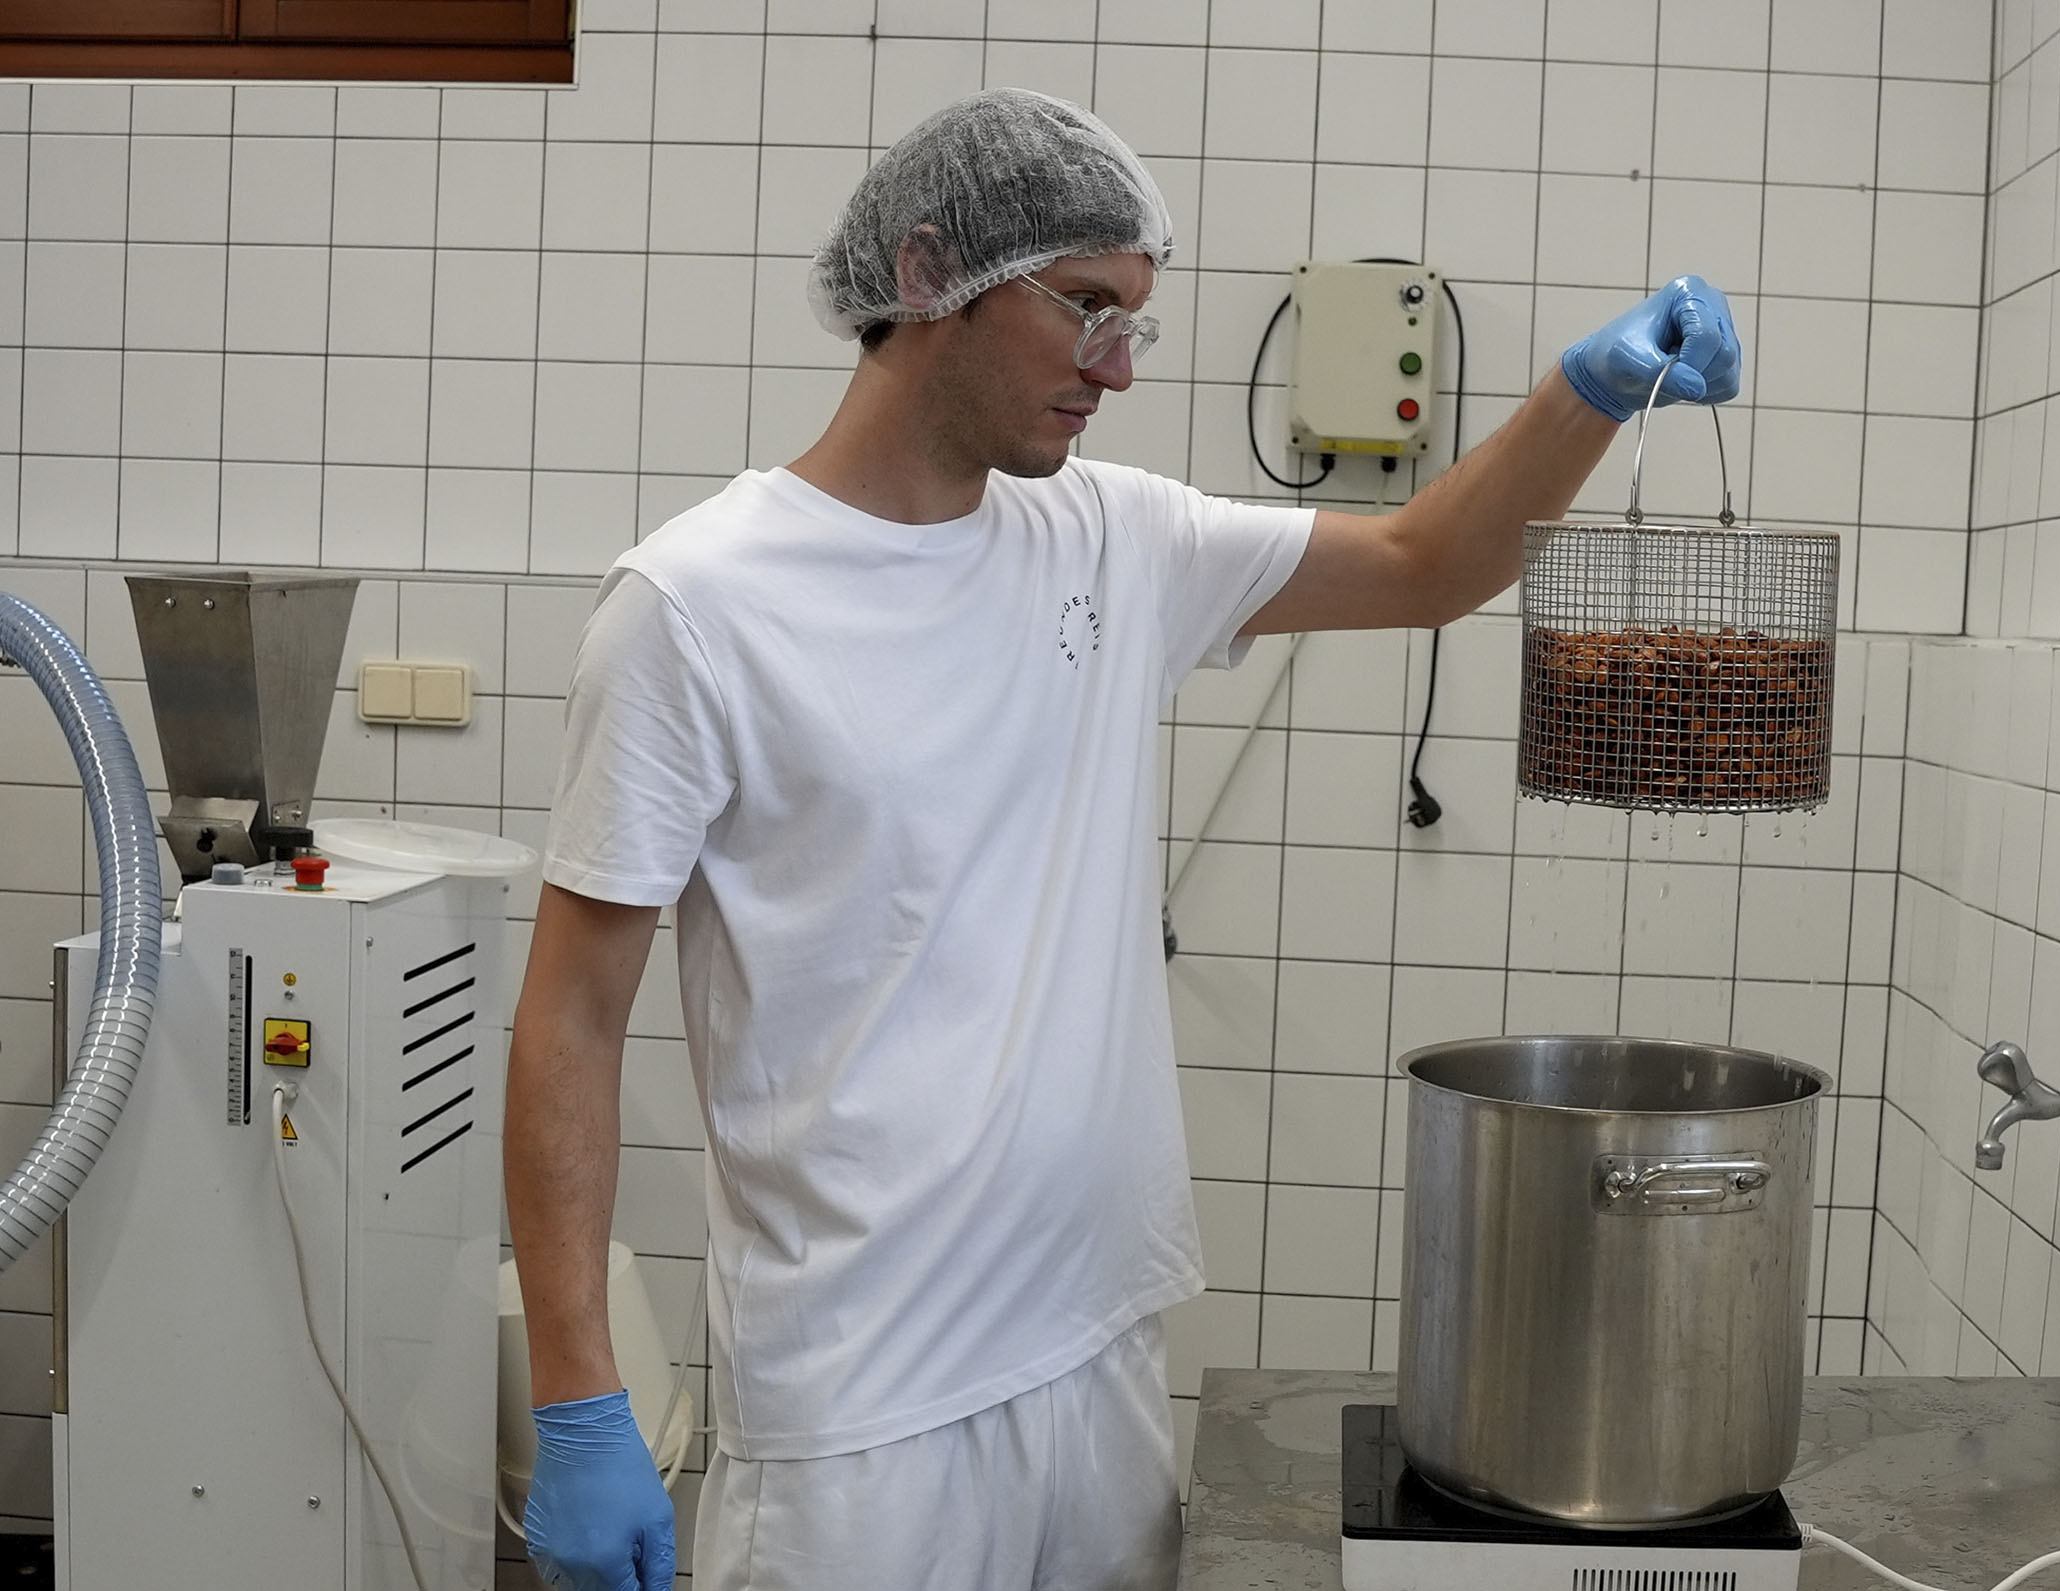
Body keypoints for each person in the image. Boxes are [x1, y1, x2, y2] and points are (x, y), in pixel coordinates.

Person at [504, 86, 1742, 1591]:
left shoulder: (1112, 538)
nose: (1117, 369)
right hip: (861, 1416)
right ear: (925, 274)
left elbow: (1429, 562)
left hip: (1094, 1353)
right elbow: (570, 1016)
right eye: (1086, 309)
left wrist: (1589, 396)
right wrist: (577, 1400)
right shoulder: (696, 607)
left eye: (1133, 323)